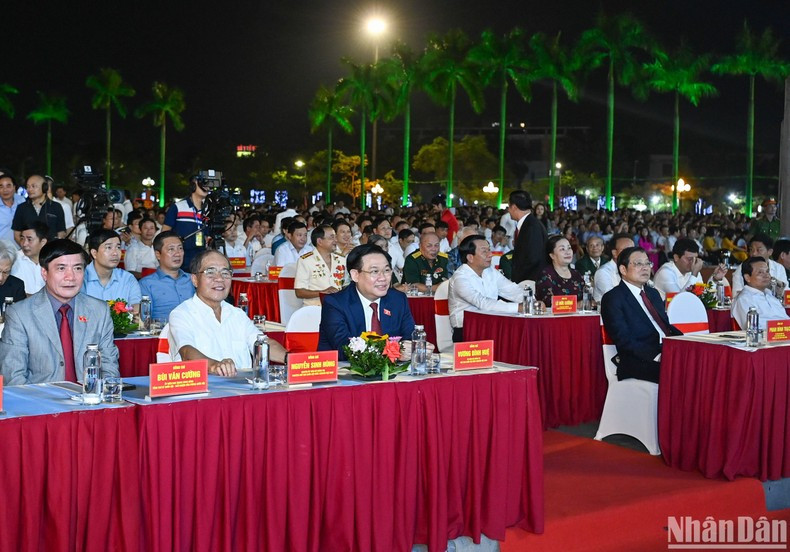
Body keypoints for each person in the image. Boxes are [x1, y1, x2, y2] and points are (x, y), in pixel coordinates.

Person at [1, 239, 120, 385]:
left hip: (90, 401)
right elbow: (14, 377)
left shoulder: (99, 311)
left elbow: (109, 368)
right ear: (44, 273)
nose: (70, 277)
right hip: (41, 403)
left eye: (77, 268)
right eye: (61, 268)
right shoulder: (20, 314)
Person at [168, 250, 286, 376]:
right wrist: (214, 366)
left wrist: (289, 358)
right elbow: (186, 352)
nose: (219, 279)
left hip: (243, 389)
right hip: (204, 389)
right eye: (210, 272)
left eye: (225, 273)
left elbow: (262, 343)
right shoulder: (181, 314)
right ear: (195, 280)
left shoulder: (237, 314)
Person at [318, 244, 415, 360]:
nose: (383, 278)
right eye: (374, 271)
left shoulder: (398, 300)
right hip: (345, 373)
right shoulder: (335, 303)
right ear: (355, 275)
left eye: (387, 270)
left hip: (392, 374)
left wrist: (415, 348)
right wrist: (394, 350)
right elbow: (345, 349)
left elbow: (409, 338)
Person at [600, 247, 683, 384]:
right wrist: (658, 356)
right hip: (639, 360)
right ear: (623, 270)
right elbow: (624, 340)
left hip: (668, 350)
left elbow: (665, 327)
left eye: (647, 263)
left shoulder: (653, 293)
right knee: (680, 370)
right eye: (638, 264)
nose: (645, 268)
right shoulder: (613, 298)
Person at [448, 235, 524, 342]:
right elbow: (482, 303)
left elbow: (511, 289)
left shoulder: (490, 271)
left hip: (491, 326)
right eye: (484, 251)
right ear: (470, 257)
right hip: (467, 331)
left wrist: (530, 301)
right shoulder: (460, 278)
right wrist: (518, 307)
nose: (490, 255)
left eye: (489, 250)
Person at [139, 231, 195, 321]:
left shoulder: (193, 280)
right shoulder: (146, 284)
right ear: (158, 255)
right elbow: (145, 321)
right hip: (162, 333)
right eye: (171, 249)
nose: (177, 254)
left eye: (180, 248)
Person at [81, 230, 142, 310]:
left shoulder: (127, 279)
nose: (115, 253)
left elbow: (136, 307)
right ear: (94, 253)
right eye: (108, 247)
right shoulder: (81, 278)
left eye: (118, 247)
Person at [653, 238, 728, 301]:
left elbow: (705, 298)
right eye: (689, 259)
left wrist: (714, 279)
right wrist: (694, 273)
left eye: (695, 259)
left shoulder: (693, 272)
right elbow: (680, 300)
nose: (693, 262)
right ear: (676, 257)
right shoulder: (665, 272)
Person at [161, 174, 210, 270]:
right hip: (181, 258)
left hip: (201, 257)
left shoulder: (209, 209)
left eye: (207, 184)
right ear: (193, 186)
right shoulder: (178, 207)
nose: (206, 187)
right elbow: (164, 233)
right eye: (202, 183)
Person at [732, 257, 790, 331]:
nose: (766, 275)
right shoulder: (744, 299)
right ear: (747, 277)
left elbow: (785, 318)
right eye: (760, 272)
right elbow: (754, 328)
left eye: (767, 271)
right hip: (766, 339)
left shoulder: (771, 296)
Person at [294, 224, 346, 306]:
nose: (335, 240)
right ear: (320, 241)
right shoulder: (306, 261)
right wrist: (322, 293)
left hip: (338, 307)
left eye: (335, 237)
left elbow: (345, 284)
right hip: (315, 308)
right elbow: (299, 292)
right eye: (331, 237)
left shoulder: (341, 259)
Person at [12, 173, 66, 244]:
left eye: (33, 186)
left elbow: (61, 232)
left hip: (50, 252)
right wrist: (26, 247)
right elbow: (16, 234)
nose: (29, 189)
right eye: (28, 186)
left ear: (44, 188)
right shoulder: (22, 208)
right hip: (28, 252)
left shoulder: (56, 207)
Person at [508, 190, 548, 283]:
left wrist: (519, 280)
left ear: (513, 207)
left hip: (530, 282)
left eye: (508, 207)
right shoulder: (528, 223)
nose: (508, 210)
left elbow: (533, 258)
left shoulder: (531, 226)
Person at [535, 235, 585, 306]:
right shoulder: (546, 275)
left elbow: (586, 298)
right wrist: (575, 304)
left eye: (569, 248)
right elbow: (548, 302)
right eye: (562, 249)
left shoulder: (576, 274)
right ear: (552, 255)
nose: (567, 252)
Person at [593, 233, 635, 303]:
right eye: (627, 250)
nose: (632, 253)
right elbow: (614, 299)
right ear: (615, 253)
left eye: (633, 249)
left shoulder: (636, 269)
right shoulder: (603, 272)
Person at [10, 222, 48, 295]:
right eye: (22, 238)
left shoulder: (53, 261)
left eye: (29, 239)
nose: (24, 244)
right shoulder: (13, 259)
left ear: (43, 242)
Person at [0, 173, 23, 245]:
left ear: (14, 187)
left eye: (8, 186)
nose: (5, 190)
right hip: (2, 251)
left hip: (21, 250)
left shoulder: (22, 201)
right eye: (1, 187)